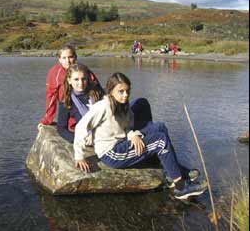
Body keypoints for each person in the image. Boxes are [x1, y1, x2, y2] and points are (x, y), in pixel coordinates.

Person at [73, 72, 207, 200]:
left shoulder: (123, 105)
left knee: (160, 127)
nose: (125, 95)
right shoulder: (102, 107)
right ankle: (180, 188)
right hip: (112, 153)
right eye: (121, 91)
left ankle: (172, 172)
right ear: (111, 91)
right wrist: (79, 156)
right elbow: (81, 127)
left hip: (123, 141)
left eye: (127, 91)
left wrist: (133, 135)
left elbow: (127, 128)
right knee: (160, 141)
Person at [39, 44, 103, 127]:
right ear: (59, 59)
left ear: (75, 57)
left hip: (86, 104)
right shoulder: (54, 73)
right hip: (67, 106)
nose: (68, 61)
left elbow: (98, 89)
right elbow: (51, 97)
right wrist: (47, 119)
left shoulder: (83, 70)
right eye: (64, 58)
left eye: (70, 57)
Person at [57, 63, 104, 143]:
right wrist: (78, 138)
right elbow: (61, 128)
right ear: (69, 80)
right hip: (87, 139)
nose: (81, 83)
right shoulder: (67, 101)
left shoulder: (97, 93)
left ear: (88, 79)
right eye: (76, 79)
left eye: (83, 79)